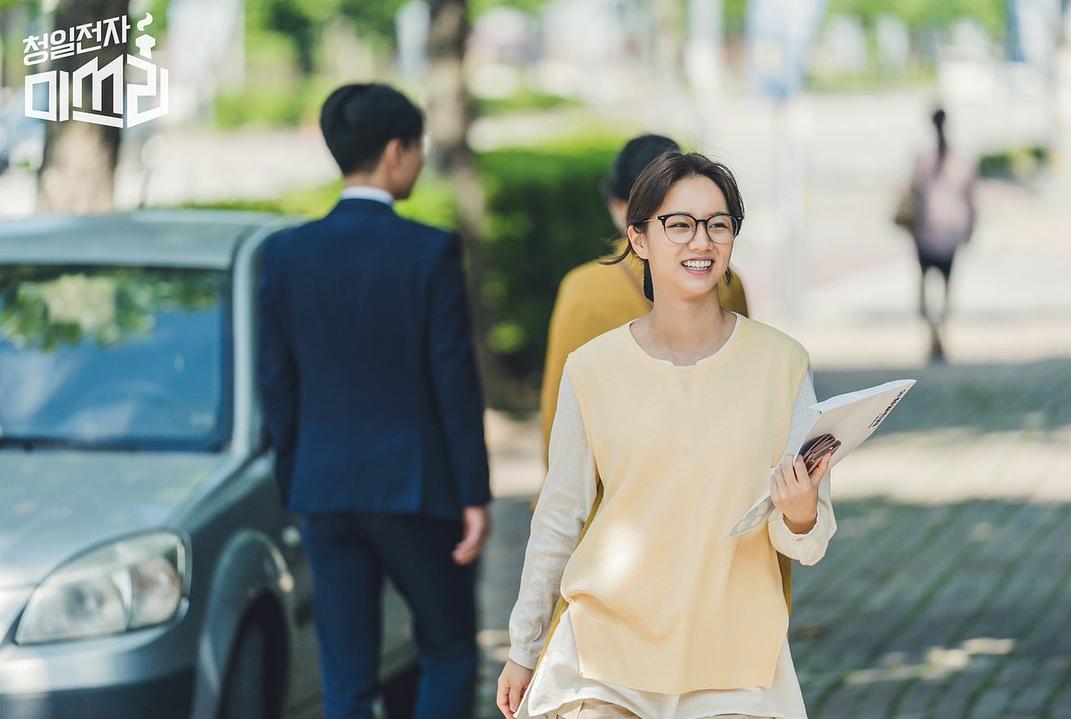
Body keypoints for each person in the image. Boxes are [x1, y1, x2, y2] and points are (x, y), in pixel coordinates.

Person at [497, 152, 838, 719]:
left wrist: (800, 514)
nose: (700, 241)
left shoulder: (782, 364)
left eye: (718, 224)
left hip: (736, 662)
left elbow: (807, 538)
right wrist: (524, 648)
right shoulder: (593, 369)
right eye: (678, 225)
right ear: (639, 238)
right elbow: (561, 516)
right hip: (604, 659)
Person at [257, 82, 492, 719]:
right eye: (417, 148)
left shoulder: (283, 255)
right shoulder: (429, 250)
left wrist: (297, 481)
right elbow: (453, 380)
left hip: (325, 491)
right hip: (418, 490)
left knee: (347, 674)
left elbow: (277, 384)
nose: (418, 161)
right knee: (446, 649)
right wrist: (474, 494)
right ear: (395, 151)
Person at [538, 134, 750, 464]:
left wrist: (557, 495)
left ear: (619, 207)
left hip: (613, 489)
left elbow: (559, 411)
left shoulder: (583, 289)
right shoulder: (726, 279)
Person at [904, 107, 977, 361]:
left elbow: (912, 193)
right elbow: (970, 199)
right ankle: (941, 333)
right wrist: (970, 228)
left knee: (924, 287)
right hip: (949, 232)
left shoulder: (923, 159)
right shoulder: (960, 160)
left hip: (926, 231)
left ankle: (933, 334)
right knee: (946, 288)